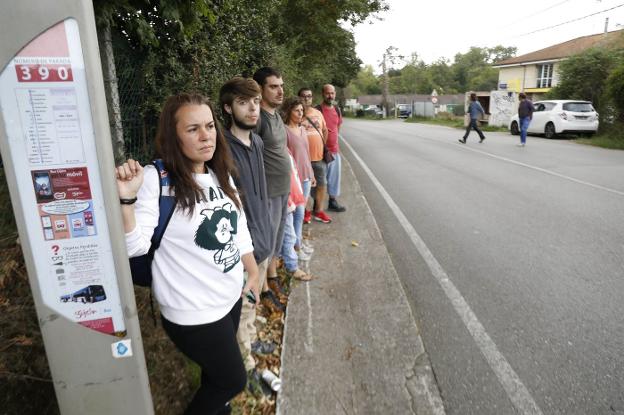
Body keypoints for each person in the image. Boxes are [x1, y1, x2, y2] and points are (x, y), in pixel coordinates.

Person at [116, 93, 259, 415]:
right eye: (193, 129)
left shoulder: (219, 172)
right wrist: (126, 200)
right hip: (192, 310)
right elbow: (134, 246)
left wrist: (252, 272)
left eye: (209, 126)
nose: (206, 135)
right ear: (172, 136)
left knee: (215, 378)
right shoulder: (157, 179)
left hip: (229, 298)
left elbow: (240, 229)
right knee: (232, 380)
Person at [219, 77, 275, 373]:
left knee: (251, 303)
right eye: (243, 103)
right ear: (228, 108)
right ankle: (245, 364)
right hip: (243, 247)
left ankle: (252, 342)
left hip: (263, 238)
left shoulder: (258, 141)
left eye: (255, 102)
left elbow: (261, 191)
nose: (253, 109)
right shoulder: (221, 149)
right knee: (241, 309)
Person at [252, 67, 291, 310]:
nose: (280, 91)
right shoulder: (258, 120)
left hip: (283, 188)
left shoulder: (276, 115)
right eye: (273, 86)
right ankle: (263, 291)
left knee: (277, 237)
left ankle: (273, 276)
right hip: (267, 193)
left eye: (281, 86)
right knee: (265, 242)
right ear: (260, 89)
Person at [281, 96, 315, 268]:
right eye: (296, 110)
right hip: (293, 179)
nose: (300, 113)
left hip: (306, 176)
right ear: (289, 111)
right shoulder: (284, 130)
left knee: (301, 214)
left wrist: (312, 173)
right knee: (297, 213)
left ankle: (298, 244)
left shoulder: (302, 129)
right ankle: (294, 247)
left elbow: (306, 153)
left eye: (302, 110)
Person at [298, 87, 332, 224]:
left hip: (319, 157)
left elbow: (324, 130)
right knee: (304, 186)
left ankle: (318, 211)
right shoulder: (296, 113)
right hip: (303, 159)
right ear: (299, 97)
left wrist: (322, 145)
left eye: (309, 96)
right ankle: (306, 211)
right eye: (304, 96)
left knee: (322, 184)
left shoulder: (318, 113)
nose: (307, 98)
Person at [316, 84, 346, 213]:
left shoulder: (337, 110)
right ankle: (317, 207)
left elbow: (337, 127)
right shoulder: (317, 110)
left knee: (334, 178)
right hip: (320, 152)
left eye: (332, 93)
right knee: (320, 180)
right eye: (328, 93)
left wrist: (334, 141)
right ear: (323, 94)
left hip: (334, 151)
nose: (330, 96)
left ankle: (332, 201)